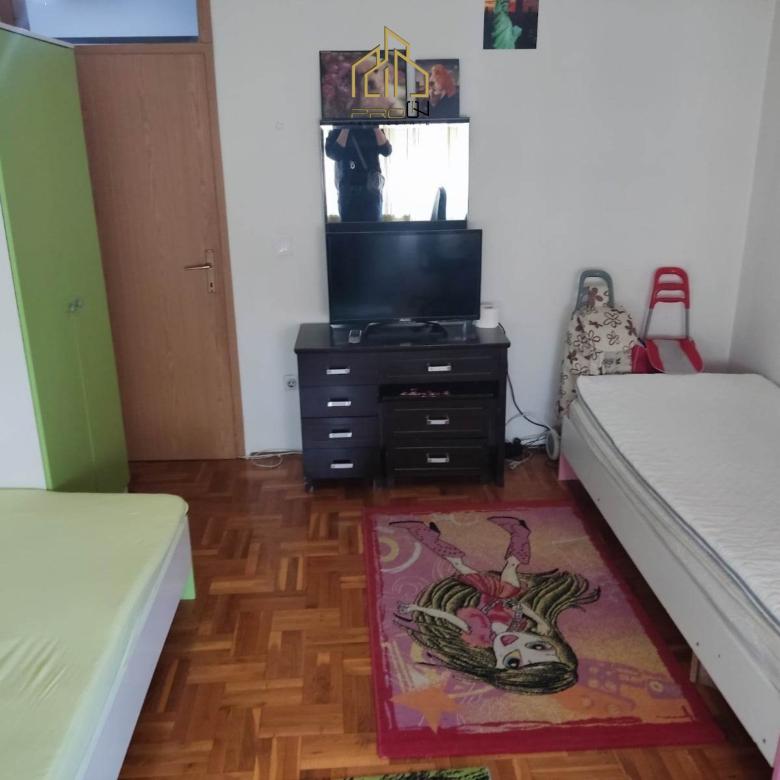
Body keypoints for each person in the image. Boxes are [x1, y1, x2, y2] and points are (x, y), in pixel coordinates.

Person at [392, 514, 600, 694]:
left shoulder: (481, 637)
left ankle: (428, 533)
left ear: (498, 667)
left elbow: (449, 617)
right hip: (507, 592)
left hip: (489, 593)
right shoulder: (529, 627)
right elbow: (524, 608)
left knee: (493, 565)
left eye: (513, 662)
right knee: (489, 565)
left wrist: (417, 609)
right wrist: (536, 618)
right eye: (537, 646)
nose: (514, 644)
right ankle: (517, 533)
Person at [325, 126, 392, 222]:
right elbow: (335, 154)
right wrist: (346, 127)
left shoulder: (371, 129)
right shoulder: (337, 130)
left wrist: (375, 127)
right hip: (348, 191)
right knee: (349, 228)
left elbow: (387, 150)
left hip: (371, 190)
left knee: (374, 228)